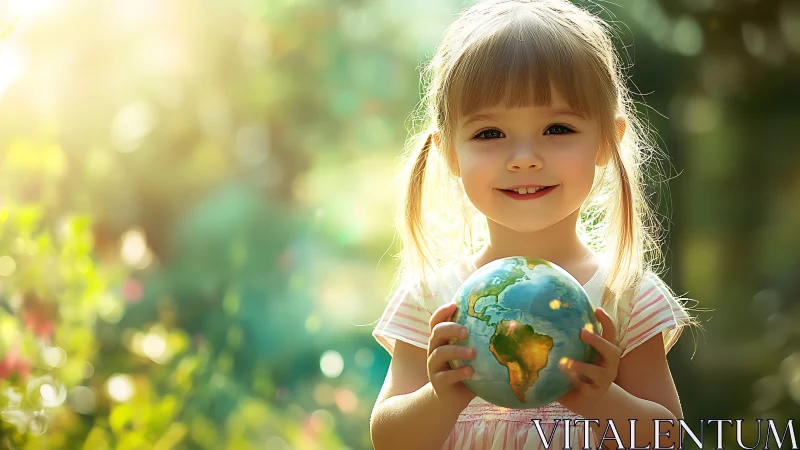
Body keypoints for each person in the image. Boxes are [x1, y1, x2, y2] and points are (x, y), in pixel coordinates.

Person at [369, 0, 703, 449]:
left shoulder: (625, 295)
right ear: (450, 151)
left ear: (607, 140)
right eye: (490, 134)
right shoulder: (432, 300)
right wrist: (441, 395)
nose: (524, 157)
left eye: (557, 128)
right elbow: (389, 438)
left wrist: (603, 401)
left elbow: (669, 438)